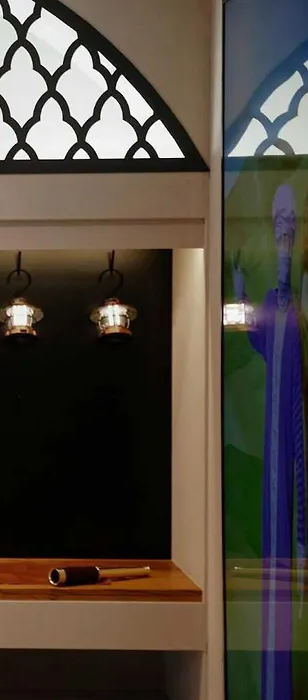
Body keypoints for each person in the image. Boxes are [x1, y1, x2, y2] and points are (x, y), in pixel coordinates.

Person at [235, 183, 307, 700]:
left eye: (289, 225)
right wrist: (239, 292)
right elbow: (254, 335)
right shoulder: (272, 303)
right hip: (274, 441)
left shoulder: (299, 300)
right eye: (278, 224)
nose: (283, 233)